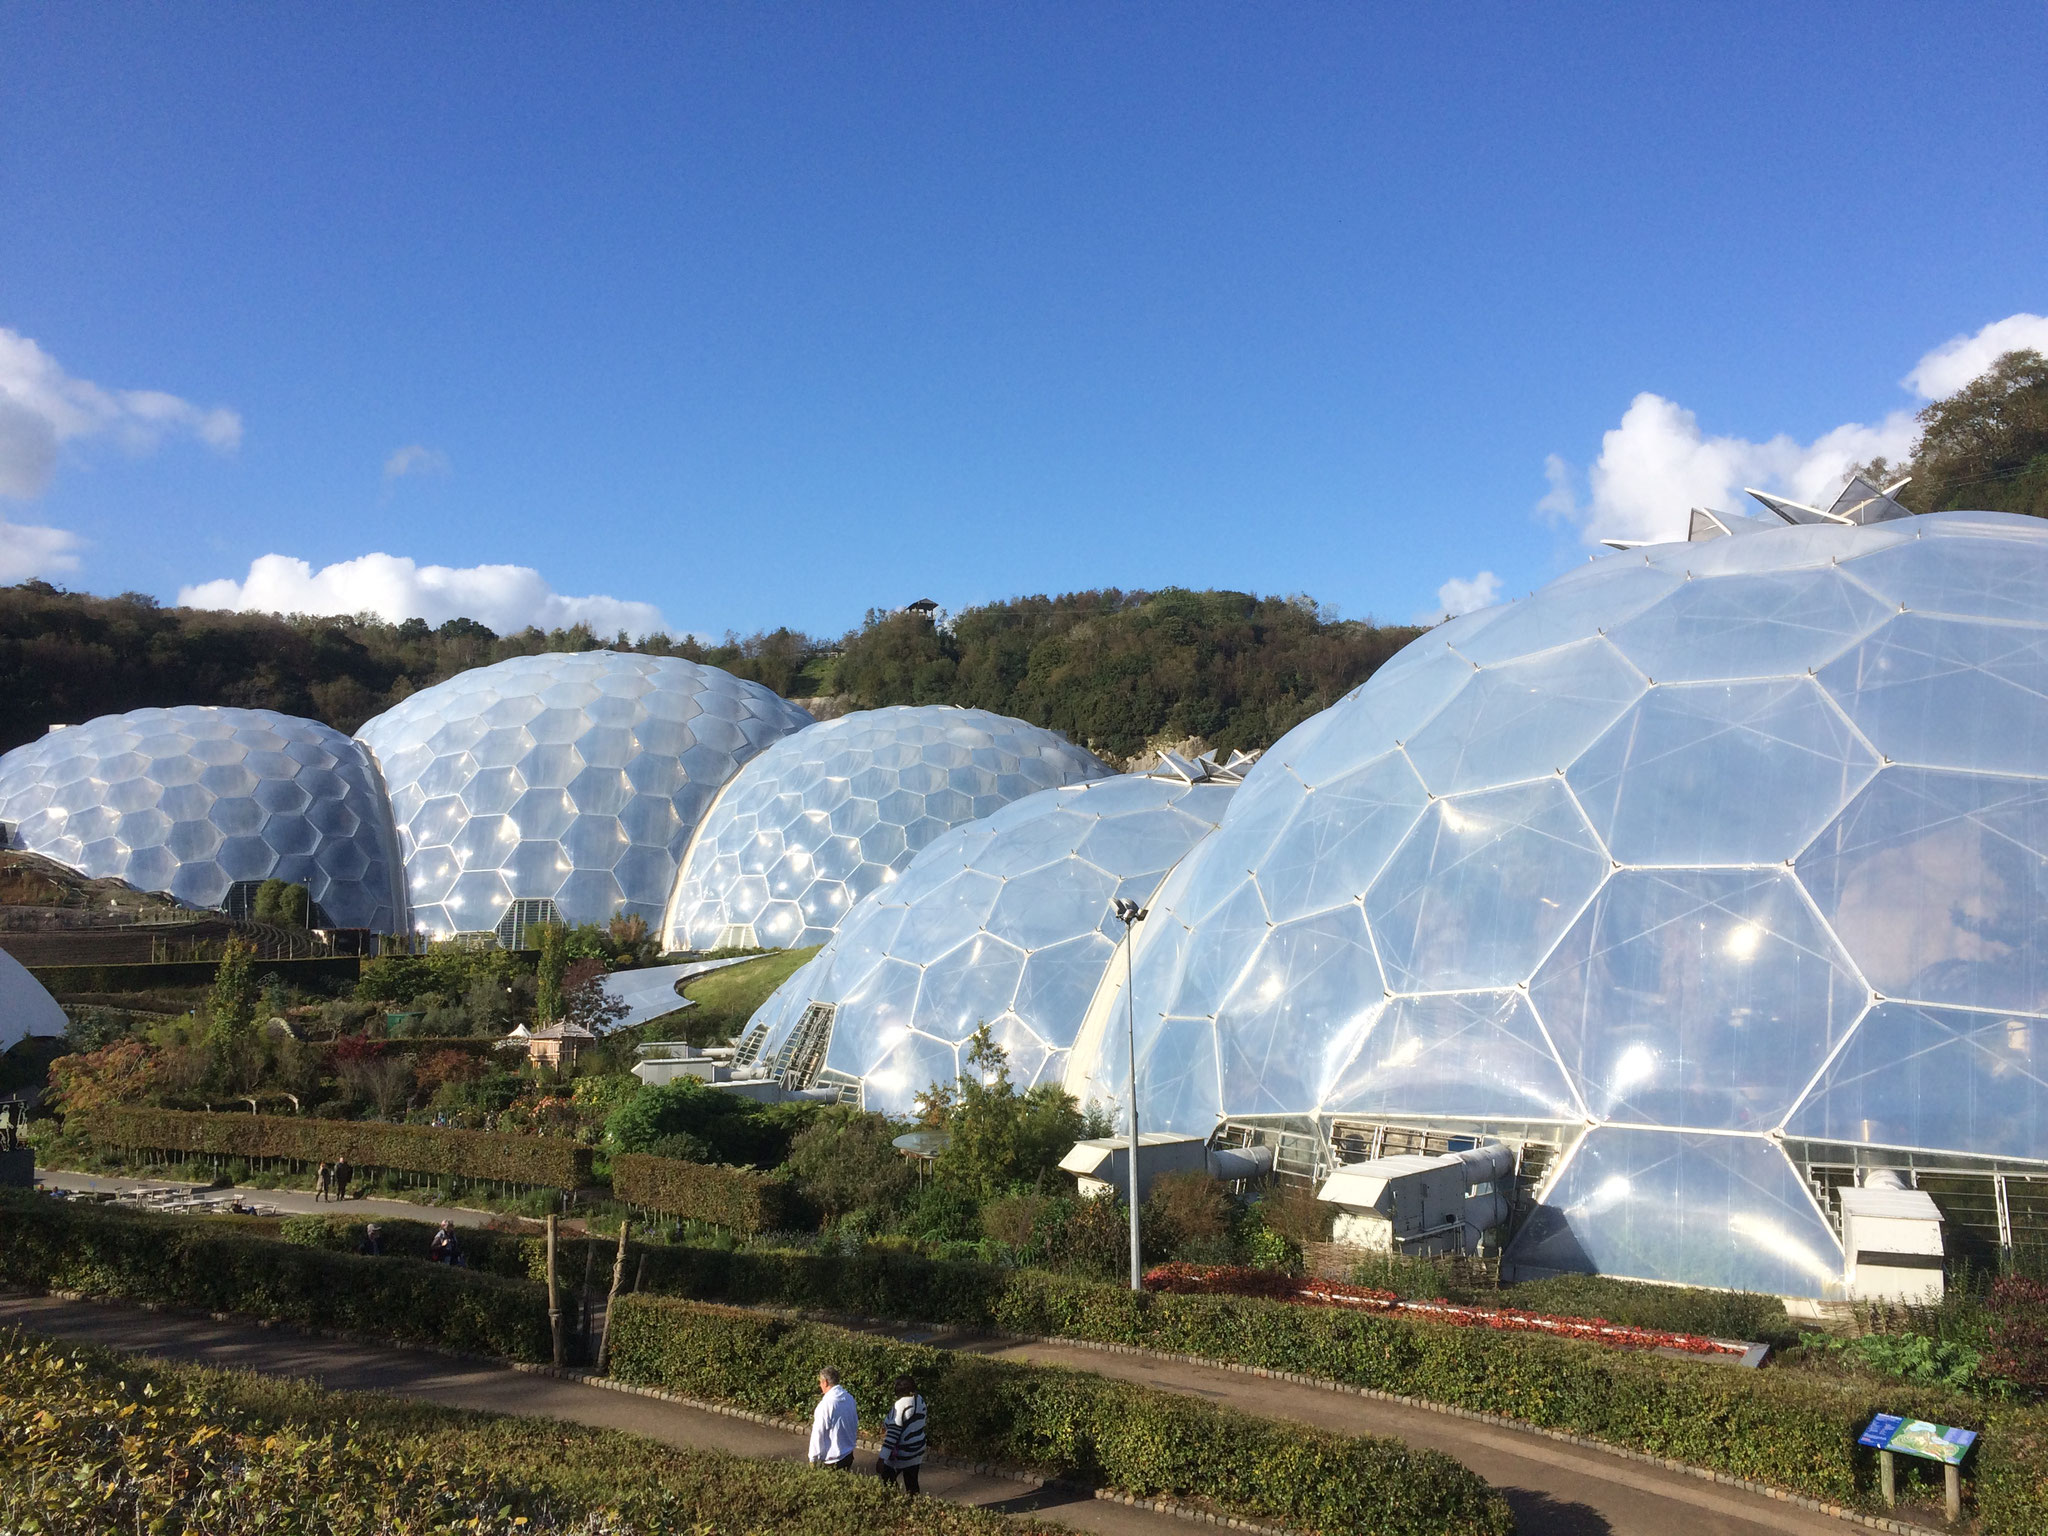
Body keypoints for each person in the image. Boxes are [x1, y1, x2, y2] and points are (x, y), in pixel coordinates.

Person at [876, 1374, 926, 1496]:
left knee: (888, 1478)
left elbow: (893, 1433)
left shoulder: (900, 1405)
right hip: (917, 1450)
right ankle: (916, 1508)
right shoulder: (920, 1400)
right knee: (912, 1483)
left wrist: (882, 1458)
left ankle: (895, 1503)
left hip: (902, 1453)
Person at [807, 1367, 857, 1470]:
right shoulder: (849, 1398)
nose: (820, 1385)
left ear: (825, 1382)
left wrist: (813, 1459)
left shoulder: (825, 1405)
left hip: (831, 1461)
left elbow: (818, 1434)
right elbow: (854, 1422)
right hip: (848, 1455)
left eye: (820, 1382)